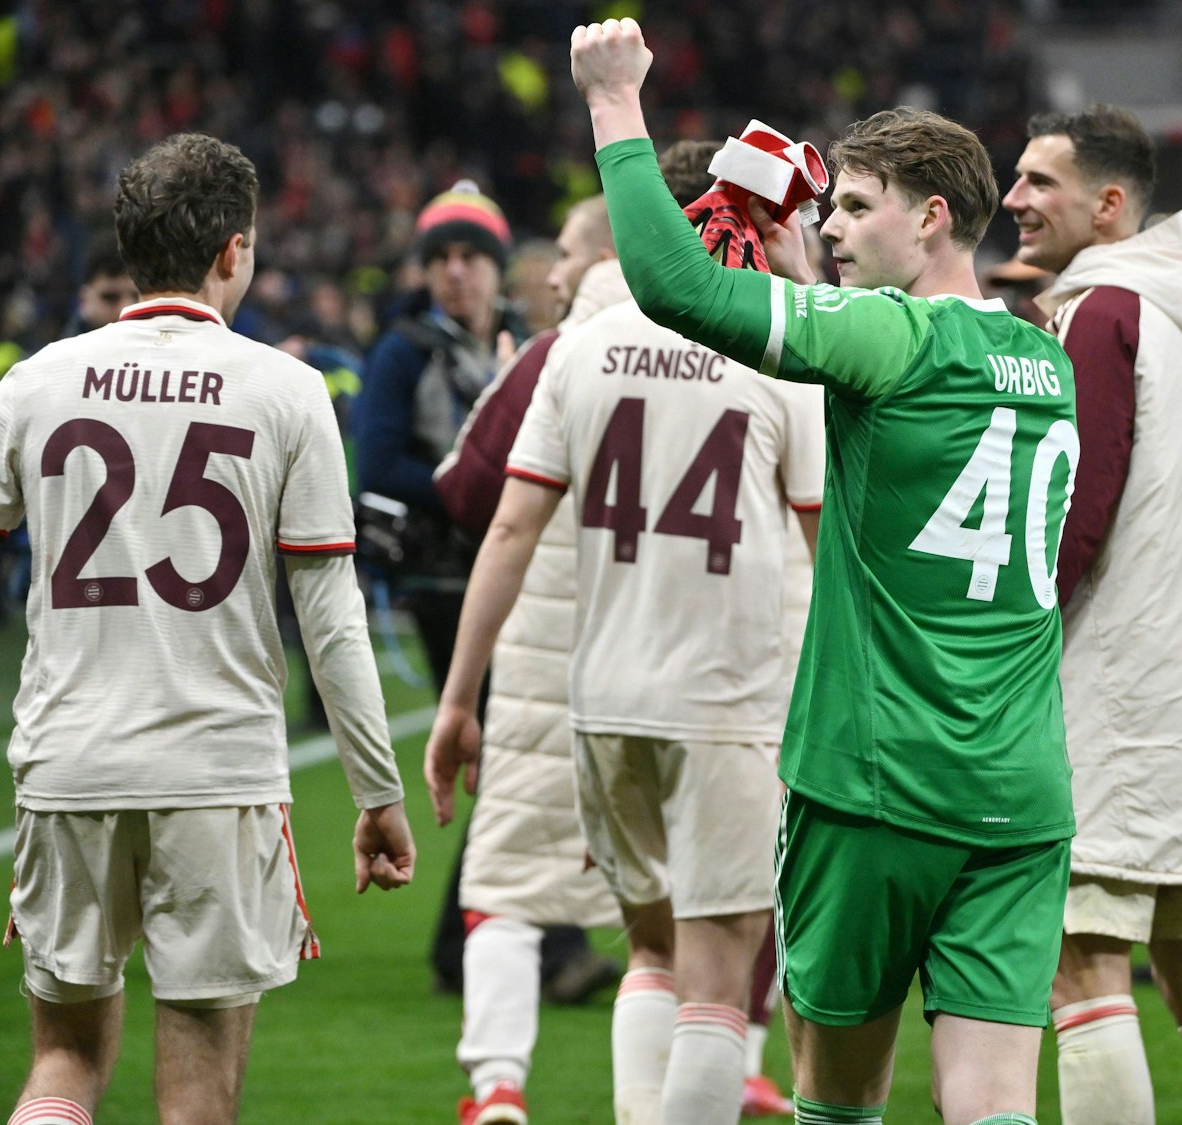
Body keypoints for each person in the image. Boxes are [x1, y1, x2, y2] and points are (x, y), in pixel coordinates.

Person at [565, 20, 1079, 1125]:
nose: (829, 227)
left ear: (932, 216)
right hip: (1016, 787)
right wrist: (807, 272)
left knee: (837, 1100)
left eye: (854, 206)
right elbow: (880, 390)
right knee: (992, 1106)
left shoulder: (893, 342)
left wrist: (614, 102)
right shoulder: (1044, 355)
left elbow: (673, 287)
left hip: (874, 782)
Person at [0, 132, 414, 1125]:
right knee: (195, 1102)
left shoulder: (37, 381)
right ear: (235, 249)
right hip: (216, 776)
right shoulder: (284, 390)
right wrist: (376, 790)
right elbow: (330, 614)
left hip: (68, 767)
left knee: (61, 1067)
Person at [423, 129, 827, 1123]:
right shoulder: (781, 349)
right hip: (725, 703)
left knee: (647, 947)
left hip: (599, 704)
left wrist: (457, 700)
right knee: (715, 979)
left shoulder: (579, 347)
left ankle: (516, 1089)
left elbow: (506, 525)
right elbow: (832, 548)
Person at [1002, 104, 1182, 1125]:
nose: (1014, 198)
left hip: (1124, 695)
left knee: (1079, 969)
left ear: (1108, 205)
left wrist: (1007, 638)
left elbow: (1075, 512)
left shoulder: (1103, 312)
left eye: (1039, 182)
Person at [431, 194, 628, 1125]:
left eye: (569, 254)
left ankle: (500, 1084)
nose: (550, 274)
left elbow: (474, 495)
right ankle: (712, 1075)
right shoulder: (739, 347)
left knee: (505, 882)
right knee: (688, 909)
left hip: (552, 662)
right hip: (698, 669)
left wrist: (458, 697)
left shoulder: (557, 354)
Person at [352, 179, 530, 992]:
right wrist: (475, 485)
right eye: (442, 259)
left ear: (497, 267)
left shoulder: (526, 340)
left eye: (471, 257)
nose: (457, 272)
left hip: (517, 567)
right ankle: (480, 941)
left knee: (515, 753)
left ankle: (493, 935)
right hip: (442, 574)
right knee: (509, 749)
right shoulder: (404, 349)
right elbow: (379, 466)